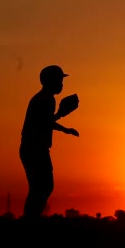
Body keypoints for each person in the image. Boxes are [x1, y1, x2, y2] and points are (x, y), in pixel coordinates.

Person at [19, 65, 79, 220]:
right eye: (59, 80)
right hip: (34, 149)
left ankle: (31, 219)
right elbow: (43, 123)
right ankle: (30, 220)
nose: (61, 84)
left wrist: (65, 129)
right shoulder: (45, 100)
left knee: (41, 187)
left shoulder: (46, 99)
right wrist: (60, 114)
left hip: (34, 149)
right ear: (49, 81)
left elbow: (46, 121)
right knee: (42, 187)